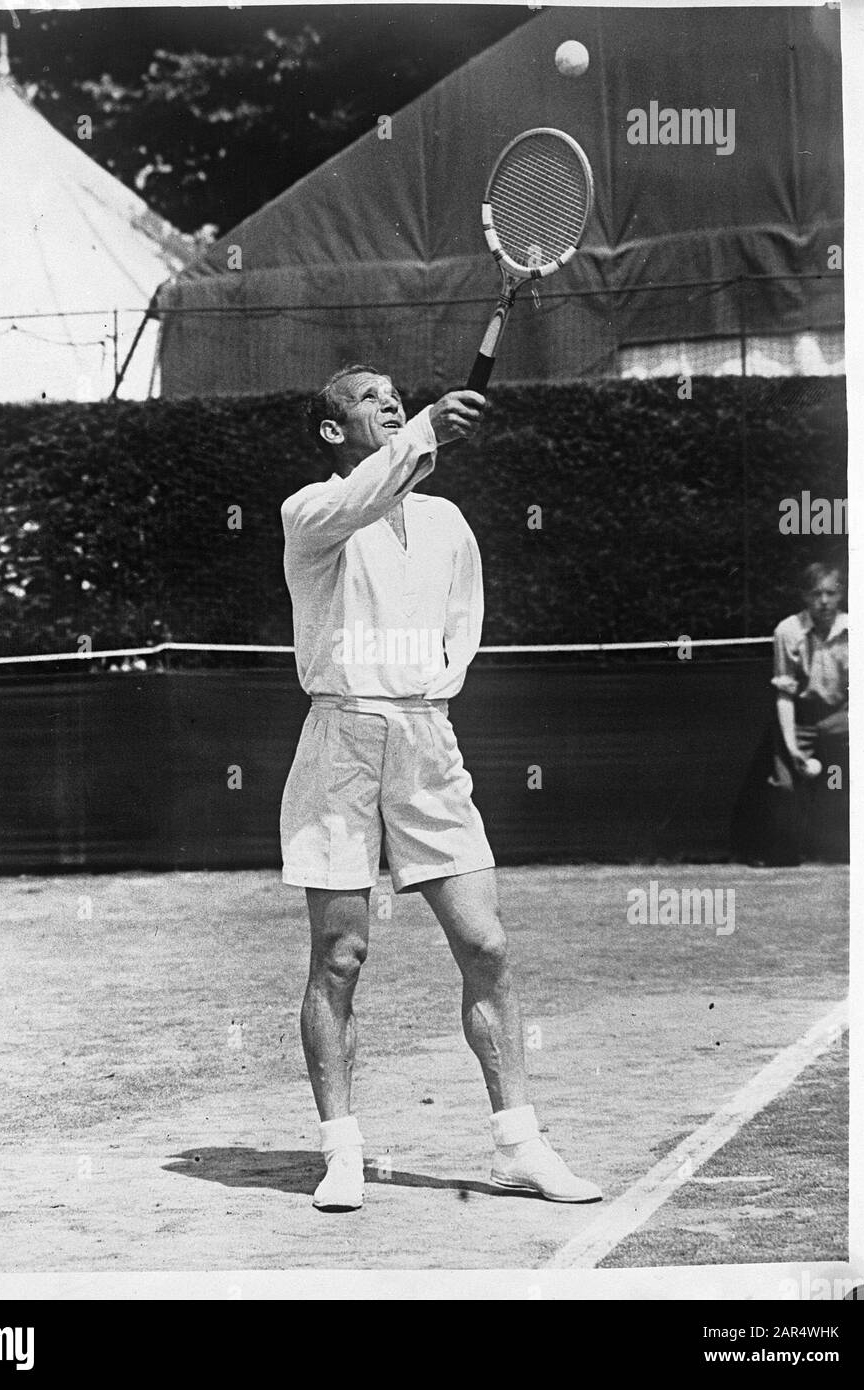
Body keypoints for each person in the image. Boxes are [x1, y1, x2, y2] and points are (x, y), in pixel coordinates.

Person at [279, 364, 602, 1212]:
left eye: (396, 393)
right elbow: (363, 498)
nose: (388, 402)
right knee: (341, 958)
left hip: (426, 742)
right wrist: (423, 429)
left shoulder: (448, 520)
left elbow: (464, 622)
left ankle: (518, 1146)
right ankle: (341, 1151)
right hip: (340, 744)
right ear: (331, 432)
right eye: (366, 398)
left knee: (487, 947)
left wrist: (427, 698)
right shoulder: (311, 513)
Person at [763, 562, 848, 864]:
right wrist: (792, 748)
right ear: (804, 597)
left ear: (840, 595)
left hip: (844, 717)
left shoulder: (859, 629)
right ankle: (784, 858)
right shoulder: (787, 631)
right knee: (785, 785)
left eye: (830, 593)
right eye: (816, 594)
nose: (823, 601)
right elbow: (784, 694)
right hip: (800, 718)